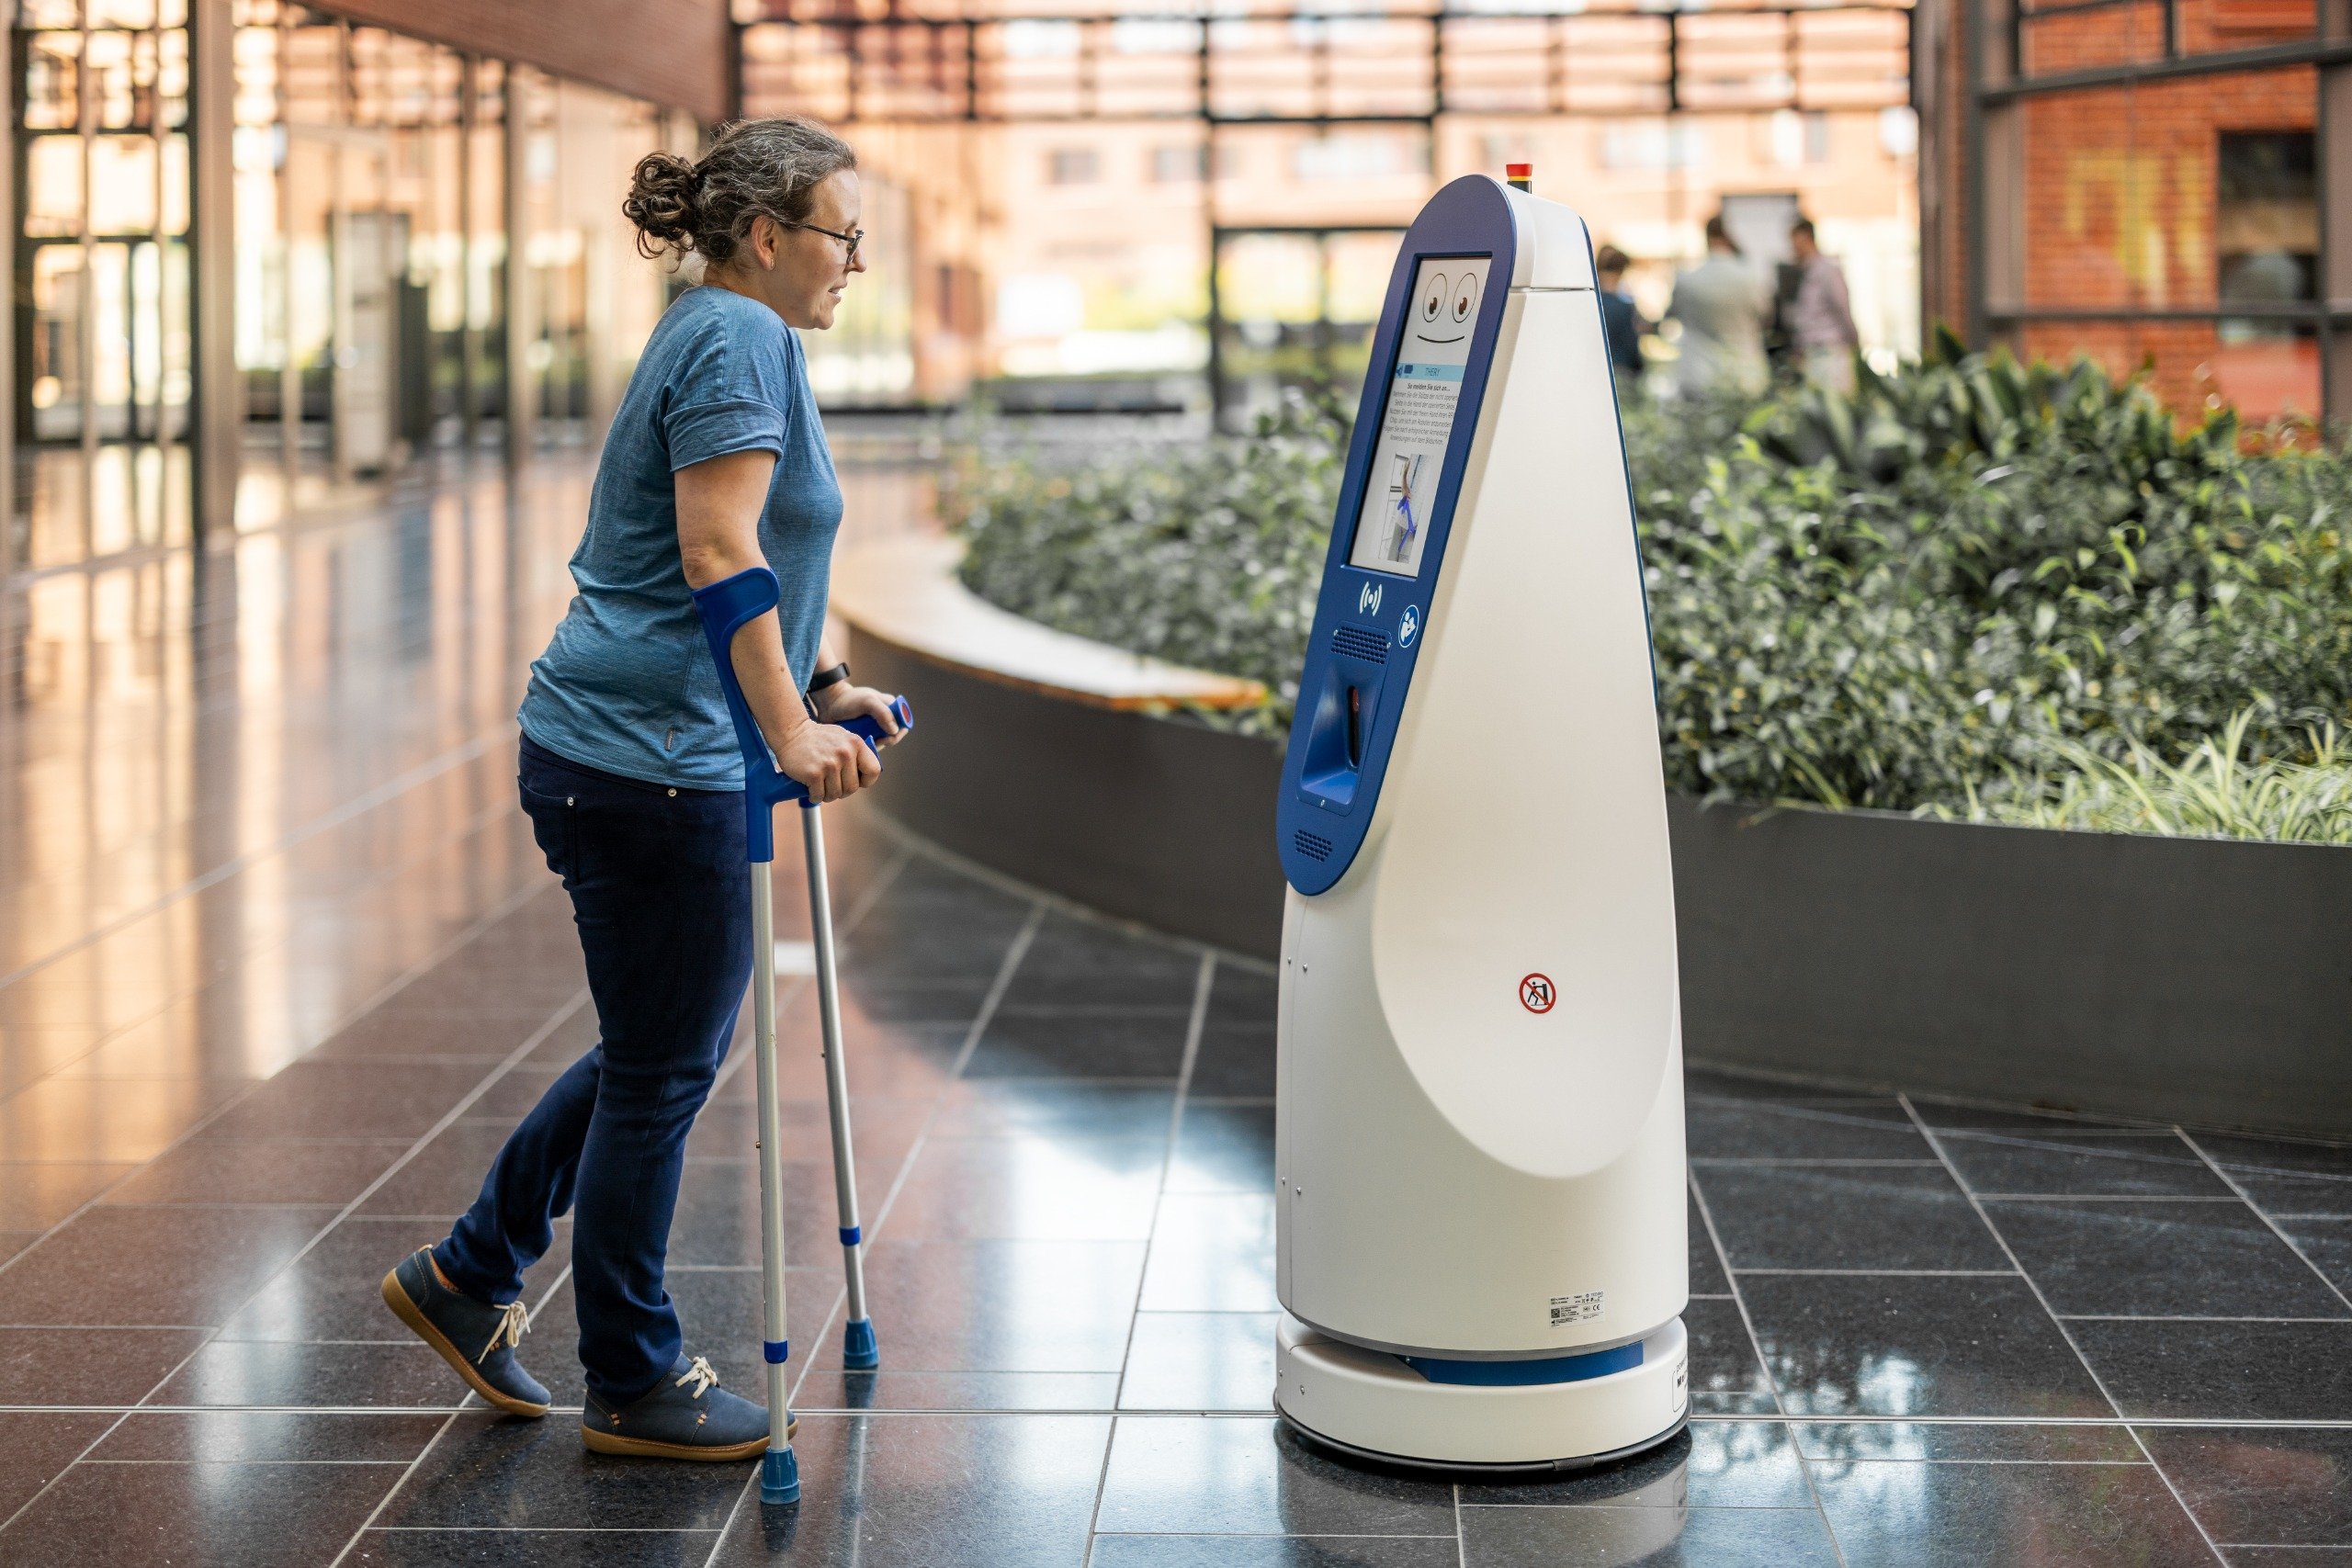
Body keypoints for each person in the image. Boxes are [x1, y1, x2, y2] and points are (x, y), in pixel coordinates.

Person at [379, 116, 905, 1462]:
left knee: (653, 1047)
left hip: (631, 748)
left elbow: (757, 549)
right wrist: (786, 732)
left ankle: (469, 1271)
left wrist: (823, 678)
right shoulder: (737, 340)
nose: (856, 260)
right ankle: (629, 1373)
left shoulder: (727, 329)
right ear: (767, 236)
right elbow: (716, 541)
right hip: (650, 761)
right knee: (664, 1065)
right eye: (842, 234)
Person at [1666, 215, 1769, 400]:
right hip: (1745, 374)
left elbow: (1671, 314)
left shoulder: (1687, 280)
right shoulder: (1753, 279)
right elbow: (1764, 316)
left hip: (1697, 374)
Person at [1788, 216, 1860, 393]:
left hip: (1830, 354)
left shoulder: (1828, 271)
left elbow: (1842, 308)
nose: (1793, 248)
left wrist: (1855, 340)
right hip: (1812, 354)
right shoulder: (1804, 274)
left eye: (1795, 242)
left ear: (1807, 239)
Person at [1594, 244, 1653, 389]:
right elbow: (1630, 344)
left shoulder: (1590, 301)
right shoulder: (1622, 306)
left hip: (1595, 371)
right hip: (1620, 373)